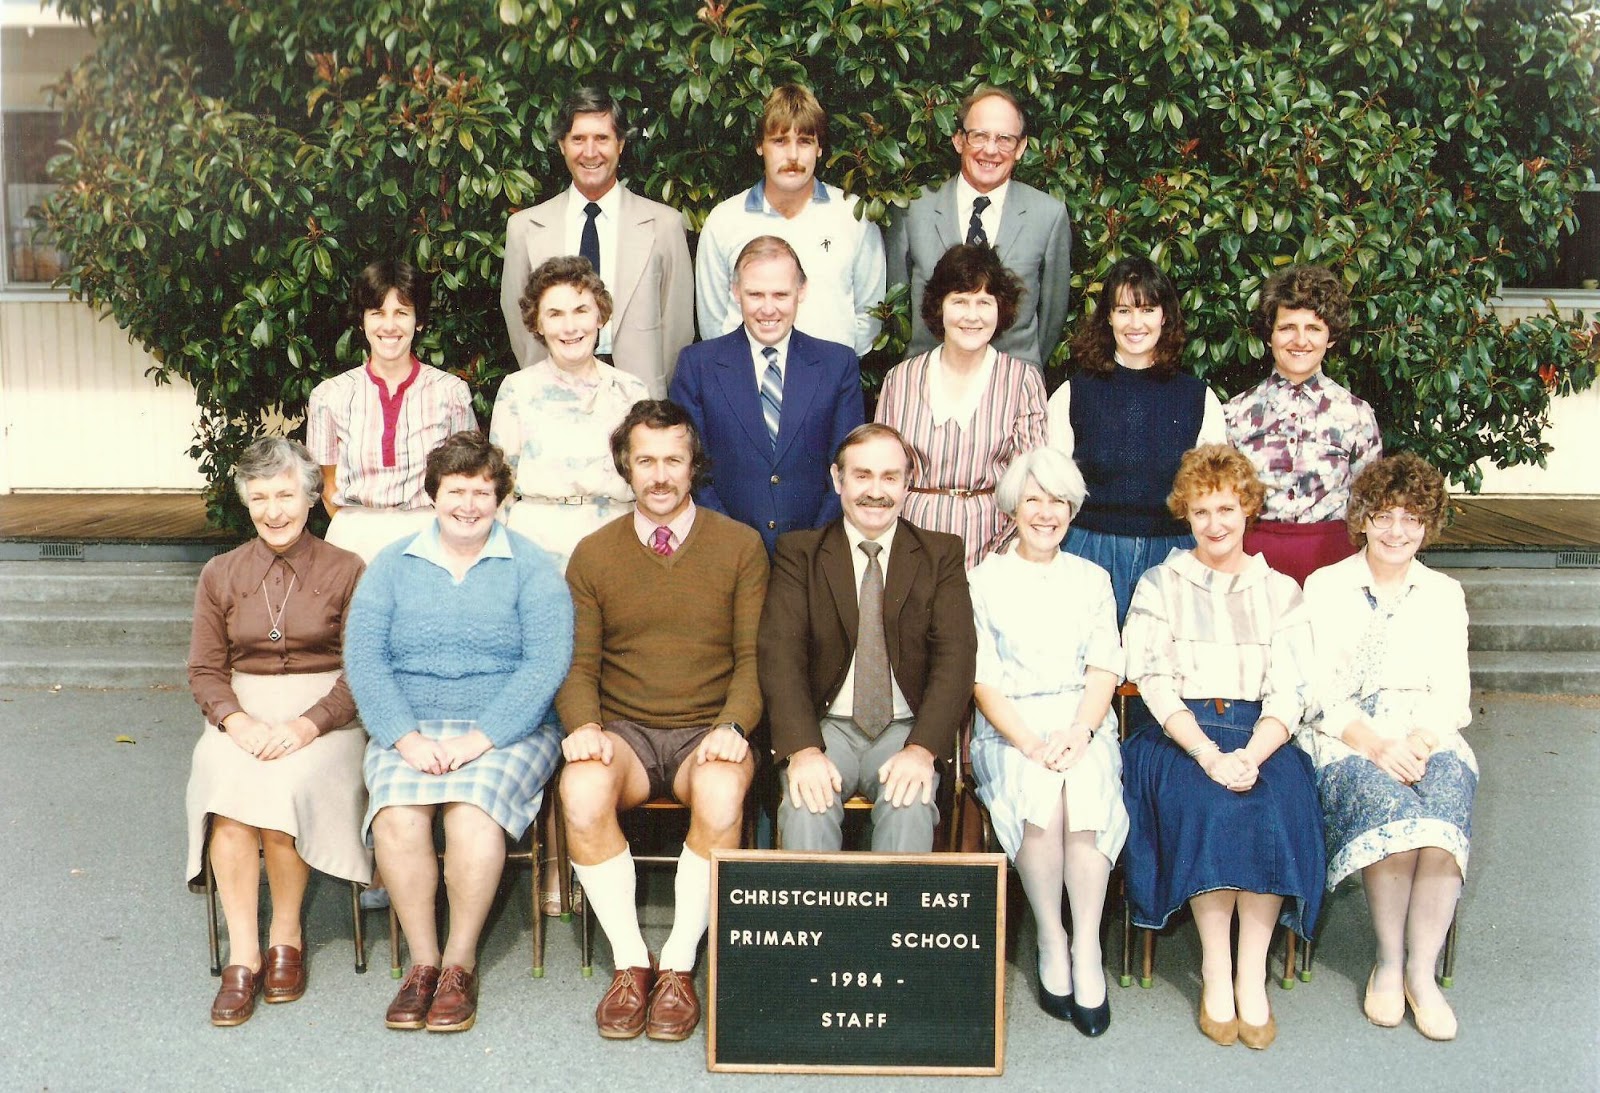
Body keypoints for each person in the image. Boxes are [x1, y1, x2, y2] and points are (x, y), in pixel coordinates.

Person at [343, 432, 574, 1033]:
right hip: (411, 727)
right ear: (433, 494)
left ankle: (459, 963)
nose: (469, 505)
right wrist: (404, 737)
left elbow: (546, 665)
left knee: (472, 813)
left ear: (501, 499)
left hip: (507, 728)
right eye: (456, 491)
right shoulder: (392, 565)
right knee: (397, 815)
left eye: (482, 492)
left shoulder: (533, 566)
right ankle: (422, 964)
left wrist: (481, 739)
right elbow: (366, 661)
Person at [556, 400, 768, 1043]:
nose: (659, 475)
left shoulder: (740, 546)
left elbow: (754, 659)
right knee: (582, 790)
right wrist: (584, 724)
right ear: (625, 466)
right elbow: (579, 664)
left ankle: (676, 962)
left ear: (693, 465)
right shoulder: (593, 554)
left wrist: (734, 726)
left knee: (724, 792)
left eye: (673, 459)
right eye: (645, 460)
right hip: (625, 730)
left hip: (710, 726)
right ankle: (629, 962)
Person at [1121, 444, 1325, 1051]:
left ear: (1248, 510)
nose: (1216, 523)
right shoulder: (1160, 583)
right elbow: (1152, 682)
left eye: (1228, 509)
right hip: (1179, 735)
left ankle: (1251, 974)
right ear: (1186, 514)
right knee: (1211, 805)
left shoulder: (1282, 591)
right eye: (1202, 510)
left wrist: (1251, 756)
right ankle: (1216, 969)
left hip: (1262, 733)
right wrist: (1209, 755)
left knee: (1269, 803)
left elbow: (1291, 693)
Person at [184, 437, 369, 1026]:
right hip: (242, 711)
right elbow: (205, 670)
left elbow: (363, 673)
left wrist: (307, 725)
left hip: (326, 714)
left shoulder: (348, 568)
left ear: (311, 497)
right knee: (229, 796)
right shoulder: (220, 572)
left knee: (288, 786)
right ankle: (244, 954)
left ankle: (285, 932)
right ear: (246, 503)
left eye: (285, 494)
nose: (274, 510)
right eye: (260, 497)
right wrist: (236, 723)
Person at [1299, 453, 1473, 1041]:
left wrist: (1421, 741)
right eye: (1385, 515)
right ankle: (1389, 961)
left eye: (1411, 518)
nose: (1397, 530)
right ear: (1363, 519)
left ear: (1428, 525)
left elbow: (1453, 690)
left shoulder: (1444, 593)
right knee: (1392, 810)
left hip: (1427, 728)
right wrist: (1376, 745)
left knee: (1445, 808)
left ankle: (1420, 975)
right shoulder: (1326, 586)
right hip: (1349, 734)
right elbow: (1319, 691)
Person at [967, 446, 1125, 1037]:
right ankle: (1050, 937)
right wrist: (1032, 743)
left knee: (1082, 790)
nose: (1045, 511)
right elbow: (982, 679)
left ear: (1072, 509)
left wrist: (1081, 732)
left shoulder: (1093, 578)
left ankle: (1086, 945)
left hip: (1083, 720)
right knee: (1041, 791)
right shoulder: (982, 580)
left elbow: (1105, 669)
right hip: (1012, 727)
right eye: (1033, 499)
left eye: (1057, 500)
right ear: (1012, 508)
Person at [759, 423, 976, 853]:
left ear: (907, 483)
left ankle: (895, 923)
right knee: (807, 805)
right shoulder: (798, 553)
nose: (876, 491)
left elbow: (956, 658)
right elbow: (779, 655)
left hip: (903, 729)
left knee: (909, 801)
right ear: (838, 480)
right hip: (823, 729)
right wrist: (802, 750)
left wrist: (921, 750)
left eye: (889, 477)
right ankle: (811, 923)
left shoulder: (940, 554)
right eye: (862, 476)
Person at [1047, 255, 1226, 624]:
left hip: (1172, 554)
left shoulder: (1198, 398)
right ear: (1108, 317)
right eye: (1124, 310)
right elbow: (1053, 490)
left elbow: (1212, 494)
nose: (1135, 323)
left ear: (1164, 317)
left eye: (1146, 309)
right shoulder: (1072, 393)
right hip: (1088, 549)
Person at [670, 236, 864, 554]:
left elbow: (846, 467)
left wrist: (812, 545)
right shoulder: (698, 365)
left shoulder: (836, 364)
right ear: (735, 292)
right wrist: (735, 544)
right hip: (724, 551)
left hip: (815, 552)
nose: (768, 308)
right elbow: (691, 468)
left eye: (780, 294)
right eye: (755, 294)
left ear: (801, 291)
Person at [500, 87, 694, 397]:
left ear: (620, 144)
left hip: (640, 399)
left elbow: (678, 328)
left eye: (602, 138)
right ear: (562, 145)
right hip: (551, 397)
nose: (590, 152)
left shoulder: (665, 226)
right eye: (578, 139)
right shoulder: (524, 228)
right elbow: (520, 324)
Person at [874, 243, 1048, 569]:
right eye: (960, 301)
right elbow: (881, 474)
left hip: (995, 554)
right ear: (939, 306)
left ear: (1001, 308)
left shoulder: (1022, 380)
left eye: (984, 302)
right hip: (908, 551)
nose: (972, 315)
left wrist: (999, 561)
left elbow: (1032, 483)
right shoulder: (900, 379)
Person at [887, 85, 1072, 368]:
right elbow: (897, 308)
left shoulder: (1048, 216)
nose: (990, 150)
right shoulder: (914, 210)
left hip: (1014, 386)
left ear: (1021, 147)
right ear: (959, 140)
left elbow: (1052, 317)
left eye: (1004, 139)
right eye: (979, 136)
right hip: (926, 382)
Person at [694, 84, 885, 356]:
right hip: (745, 385)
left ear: (819, 148)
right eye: (780, 141)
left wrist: (833, 371)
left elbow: (870, 314)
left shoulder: (854, 216)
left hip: (829, 388)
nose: (793, 156)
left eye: (805, 141)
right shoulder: (724, 221)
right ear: (760, 145)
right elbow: (712, 323)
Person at [1224, 264, 1383, 585]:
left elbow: (1367, 504)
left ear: (1331, 337)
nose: (1300, 340)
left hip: (1333, 567)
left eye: (1313, 328)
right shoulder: (1236, 414)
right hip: (1253, 565)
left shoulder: (1356, 415)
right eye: (1287, 327)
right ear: (1270, 335)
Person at [491, 255, 649, 569]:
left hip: (616, 547)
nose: (570, 327)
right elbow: (499, 486)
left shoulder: (632, 392)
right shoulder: (516, 390)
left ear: (601, 316)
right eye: (555, 314)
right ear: (538, 323)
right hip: (535, 551)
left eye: (581, 311)